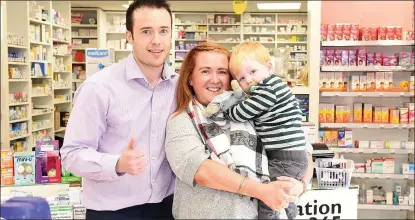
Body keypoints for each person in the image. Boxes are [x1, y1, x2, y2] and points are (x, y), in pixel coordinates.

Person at [165, 42, 314, 219]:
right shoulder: (182, 121)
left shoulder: (251, 110)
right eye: (205, 71)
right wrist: (263, 191)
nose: (215, 79)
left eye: (222, 72)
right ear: (190, 79)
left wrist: (300, 185)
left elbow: (303, 150)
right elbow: (202, 171)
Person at [60, 0, 177, 219]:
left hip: (165, 207)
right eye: (146, 31)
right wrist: (117, 164)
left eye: (163, 31)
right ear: (129, 36)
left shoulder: (179, 86)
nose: (156, 41)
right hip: (111, 211)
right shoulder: (99, 88)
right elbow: (71, 154)